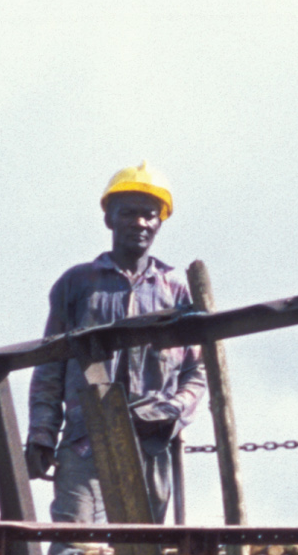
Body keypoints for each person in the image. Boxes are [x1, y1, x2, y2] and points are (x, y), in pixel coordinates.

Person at [24, 165, 205, 527]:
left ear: (159, 223)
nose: (140, 223)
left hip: (152, 443)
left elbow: (197, 373)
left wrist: (170, 410)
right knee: (74, 552)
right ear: (109, 219)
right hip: (85, 441)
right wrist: (42, 431)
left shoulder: (176, 291)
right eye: (129, 213)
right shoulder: (78, 284)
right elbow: (49, 367)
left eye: (149, 215)